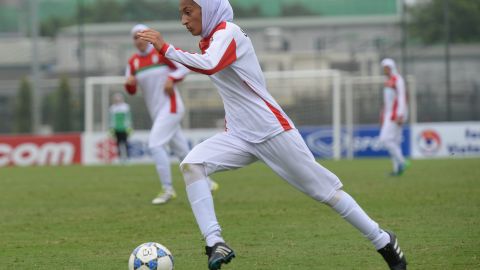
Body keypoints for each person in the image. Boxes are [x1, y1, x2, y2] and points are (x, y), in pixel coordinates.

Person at [137, 1, 408, 269]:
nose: (183, 21)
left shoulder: (228, 32)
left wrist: (165, 48)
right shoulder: (210, 40)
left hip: (271, 130)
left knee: (326, 193)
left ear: (208, 10)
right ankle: (214, 242)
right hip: (239, 136)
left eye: (188, 12)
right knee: (192, 165)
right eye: (181, 14)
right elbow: (204, 63)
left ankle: (382, 239)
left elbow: (210, 65)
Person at [125, 24, 218, 205]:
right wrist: (129, 83)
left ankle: (167, 189)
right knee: (183, 153)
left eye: (142, 35)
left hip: (172, 108)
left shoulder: (159, 53)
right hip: (157, 112)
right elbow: (131, 89)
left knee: (155, 144)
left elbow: (183, 68)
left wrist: (171, 78)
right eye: (135, 37)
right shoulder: (133, 62)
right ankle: (208, 183)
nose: (139, 40)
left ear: (148, 36)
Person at [379, 58, 409, 176]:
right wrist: (382, 116)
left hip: (395, 115)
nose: (385, 70)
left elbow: (402, 97)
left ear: (391, 67)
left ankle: (402, 161)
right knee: (395, 142)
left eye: (387, 67)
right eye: (384, 67)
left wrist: (400, 114)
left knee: (385, 139)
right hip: (388, 115)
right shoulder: (388, 81)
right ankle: (397, 170)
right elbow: (387, 102)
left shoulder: (398, 79)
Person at [109, 93, 132, 164]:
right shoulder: (112, 108)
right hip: (116, 128)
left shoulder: (126, 107)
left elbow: (128, 118)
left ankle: (127, 158)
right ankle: (120, 158)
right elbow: (111, 119)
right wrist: (111, 128)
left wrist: (129, 127)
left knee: (125, 143)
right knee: (118, 144)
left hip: (124, 128)